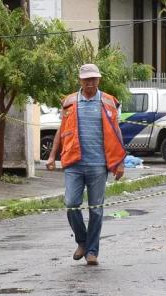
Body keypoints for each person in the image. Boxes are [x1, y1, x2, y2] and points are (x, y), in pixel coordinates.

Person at [46, 64, 126, 267]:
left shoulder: (108, 102)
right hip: (74, 162)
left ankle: (92, 251)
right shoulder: (69, 102)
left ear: (99, 80)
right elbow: (61, 131)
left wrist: (120, 162)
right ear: (80, 80)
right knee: (71, 203)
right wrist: (52, 156)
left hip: (99, 165)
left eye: (94, 79)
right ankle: (82, 241)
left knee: (96, 209)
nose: (90, 83)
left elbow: (116, 133)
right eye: (86, 79)